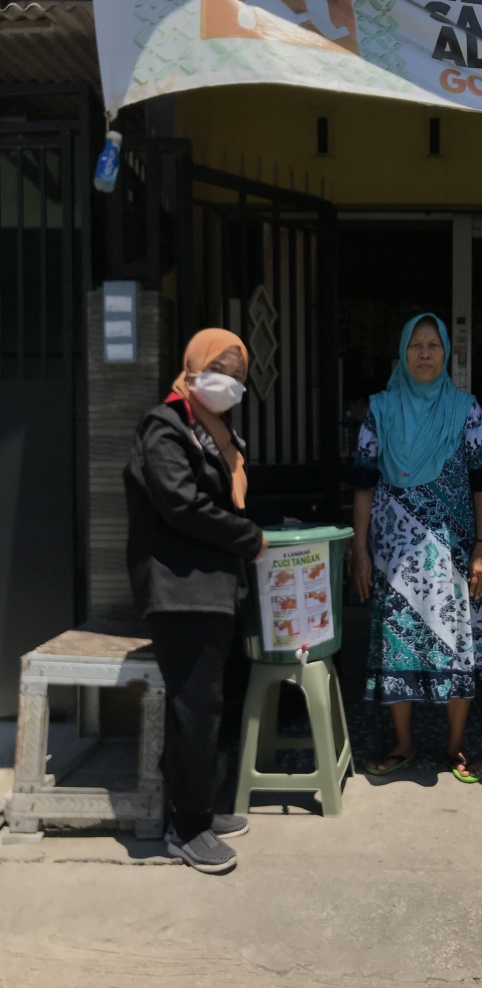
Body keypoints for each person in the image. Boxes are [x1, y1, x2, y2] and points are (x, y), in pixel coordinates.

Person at [124, 329, 267, 873]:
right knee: (193, 706)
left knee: (209, 703)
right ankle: (186, 829)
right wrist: (246, 537)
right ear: (193, 366)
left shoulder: (211, 427)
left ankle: (199, 806)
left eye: (237, 373)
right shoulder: (164, 425)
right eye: (220, 368)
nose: (228, 381)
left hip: (211, 587)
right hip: (179, 588)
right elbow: (179, 503)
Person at [351, 314, 482, 782]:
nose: (426, 353)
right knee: (397, 642)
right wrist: (361, 549)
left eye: (434, 345)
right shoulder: (380, 409)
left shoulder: (465, 409)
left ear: (447, 352)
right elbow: (363, 483)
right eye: (417, 345)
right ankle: (403, 741)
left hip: (453, 552)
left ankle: (455, 745)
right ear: (403, 353)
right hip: (394, 553)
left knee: (458, 642)